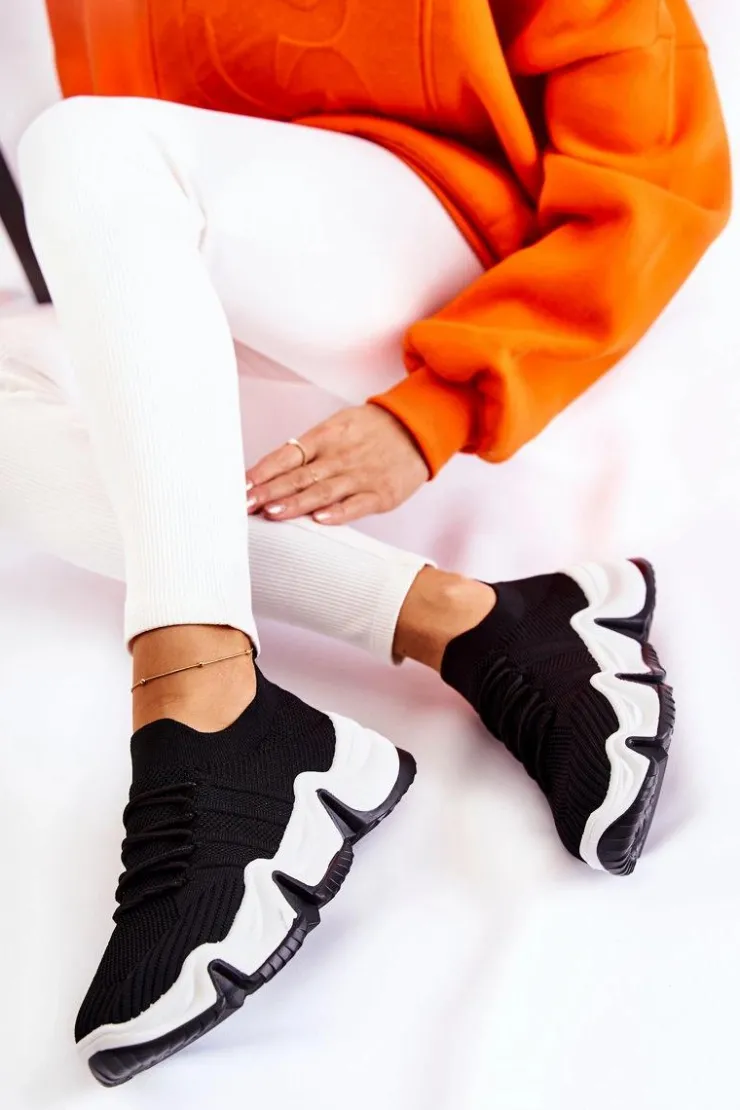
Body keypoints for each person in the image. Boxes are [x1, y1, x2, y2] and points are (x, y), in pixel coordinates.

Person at [0, 0, 729, 1087]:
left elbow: (658, 172)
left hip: (464, 258)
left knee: (81, 142)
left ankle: (203, 718)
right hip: (217, 240)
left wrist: (437, 406)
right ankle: (472, 621)